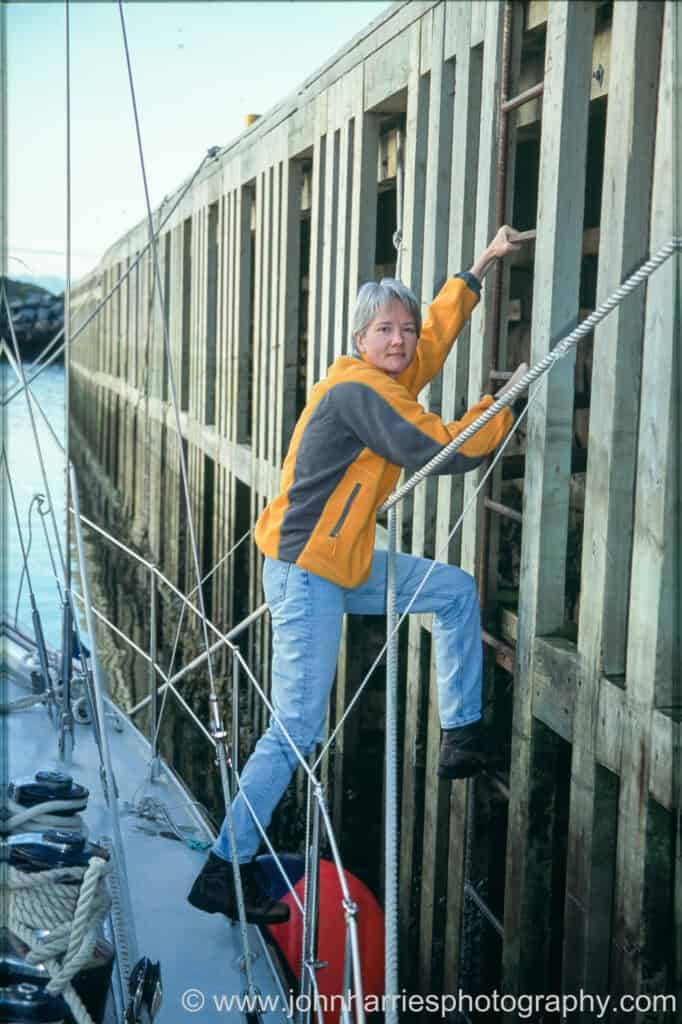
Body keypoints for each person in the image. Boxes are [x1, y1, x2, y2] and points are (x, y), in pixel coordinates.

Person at [189, 225, 527, 925]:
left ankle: (460, 733)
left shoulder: (384, 374)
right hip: (309, 572)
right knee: (295, 731)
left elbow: (430, 338)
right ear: (358, 341)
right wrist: (503, 408)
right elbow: (434, 445)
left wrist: (479, 268)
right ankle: (225, 868)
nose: (400, 340)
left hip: (339, 561)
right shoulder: (358, 393)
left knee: (454, 592)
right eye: (384, 329)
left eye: (403, 328)